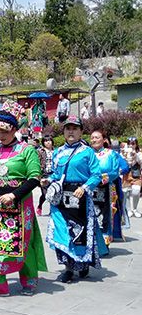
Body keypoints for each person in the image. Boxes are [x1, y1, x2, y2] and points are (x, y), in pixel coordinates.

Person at [0, 110, 47, 297]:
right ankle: (0, 285)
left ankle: (29, 281)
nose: (0, 135)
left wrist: (14, 195)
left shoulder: (26, 150)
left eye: (4, 131)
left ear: (14, 130)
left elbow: (34, 178)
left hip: (20, 206)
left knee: (23, 244)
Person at [46, 115, 106, 283]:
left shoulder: (87, 152)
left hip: (80, 198)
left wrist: (84, 187)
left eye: (75, 128)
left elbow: (96, 175)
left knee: (79, 232)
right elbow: (56, 175)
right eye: (68, 128)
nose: (71, 131)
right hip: (61, 198)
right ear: (63, 132)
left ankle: (82, 264)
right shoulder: (58, 152)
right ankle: (68, 268)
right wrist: (48, 180)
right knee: (62, 230)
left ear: (81, 132)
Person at [90, 129, 124, 246]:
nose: (94, 140)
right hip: (90, 188)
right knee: (90, 214)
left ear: (104, 140)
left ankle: (104, 243)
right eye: (92, 137)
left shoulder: (111, 154)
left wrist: (106, 177)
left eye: (97, 137)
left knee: (105, 215)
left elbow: (115, 171)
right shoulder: (87, 154)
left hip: (106, 189)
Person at [122, 137, 142, 217]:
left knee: (136, 191)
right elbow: (121, 162)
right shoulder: (124, 152)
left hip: (136, 173)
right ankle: (130, 209)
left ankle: (135, 209)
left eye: (133, 143)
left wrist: (135, 155)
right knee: (127, 192)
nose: (131, 145)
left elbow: (141, 162)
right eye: (129, 143)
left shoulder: (139, 153)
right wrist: (124, 155)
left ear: (136, 144)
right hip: (126, 174)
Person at [35, 136, 54, 216]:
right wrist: (38, 175)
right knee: (45, 194)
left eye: (49, 140)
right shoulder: (40, 151)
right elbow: (37, 162)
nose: (48, 142)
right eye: (45, 141)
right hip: (44, 174)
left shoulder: (56, 151)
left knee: (53, 193)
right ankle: (39, 206)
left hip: (53, 174)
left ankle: (52, 210)